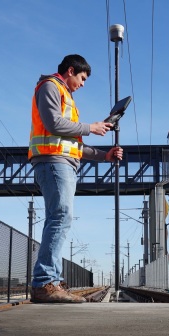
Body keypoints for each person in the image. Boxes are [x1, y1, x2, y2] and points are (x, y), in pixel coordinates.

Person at [28, 54, 123, 303]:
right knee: (60, 216)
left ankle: (51, 282)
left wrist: (106, 156)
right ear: (70, 71)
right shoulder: (50, 86)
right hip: (52, 161)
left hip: (64, 162)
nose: (82, 84)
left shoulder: (67, 97)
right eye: (81, 78)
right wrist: (90, 127)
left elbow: (74, 144)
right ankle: (44, 283)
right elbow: (52, 124)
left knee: (60, 217)